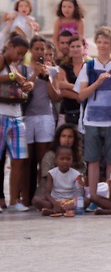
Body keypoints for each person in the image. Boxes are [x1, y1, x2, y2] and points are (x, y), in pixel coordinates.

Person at [74, 26, 111, 202]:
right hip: (92, 120)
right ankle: (93, 197)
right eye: (99, 42)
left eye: (106, 42)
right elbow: (81, 96)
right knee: (93, 161)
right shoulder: (88, 66)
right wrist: (97, 82)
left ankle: (109, 198)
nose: (102, 45)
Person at [23, 36, 60, 199]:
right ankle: (26, 196)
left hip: (45, 116)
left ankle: (43, 194)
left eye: (42, 49)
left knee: (43, 159)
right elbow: (22, 91)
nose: (39, 52)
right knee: (26, 159)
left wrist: (47, 79)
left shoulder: (53, 71)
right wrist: (34, 75)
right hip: (27, 117)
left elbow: (56, 97)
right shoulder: (23, 69)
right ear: (31, 50)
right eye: (36, 49)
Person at [0, 35, 34, 211]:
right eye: (18, 52)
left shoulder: (14, 65)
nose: (19, 57)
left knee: (19, 159)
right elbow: (10, 78)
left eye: (22, 55)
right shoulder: (2, 60)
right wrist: (14, 76)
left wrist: (27, 85)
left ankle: (14, 201)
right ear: (10, 46)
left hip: (16, 115)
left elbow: (21, 81)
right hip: (1, 113)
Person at [36, 123, 85, 200]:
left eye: (70, 137)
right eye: (63, 136)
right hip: (53, 193)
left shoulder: (78, 156)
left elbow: (81, 177)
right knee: (37, 200)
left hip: (71, 193)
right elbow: (46, 178)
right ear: (58, 138)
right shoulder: (50, 155)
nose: (66, 140)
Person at [32, 146, 81, 217]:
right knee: (36, 200)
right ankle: (63, 211)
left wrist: (82, 187)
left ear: (72, 160)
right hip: (54, 201)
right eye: (62, 159)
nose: (65, 161)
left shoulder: (76, 174)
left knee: (86, 201)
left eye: (68, 159)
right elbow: (47, 193)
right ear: (56, 160)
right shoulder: (51, 173)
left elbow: (79, 194)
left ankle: (54, 211)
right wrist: (55, 204)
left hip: (69, 202)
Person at [58, 35, 85, 125]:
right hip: (68, 112)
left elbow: (91, 89)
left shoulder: (89, 66)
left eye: (78, 46)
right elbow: (63, 90)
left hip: (86, 112)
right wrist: (81, 95)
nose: (75, 49)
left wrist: (68, 85)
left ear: (84, 47)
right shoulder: (64, 66)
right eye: (72, 46)